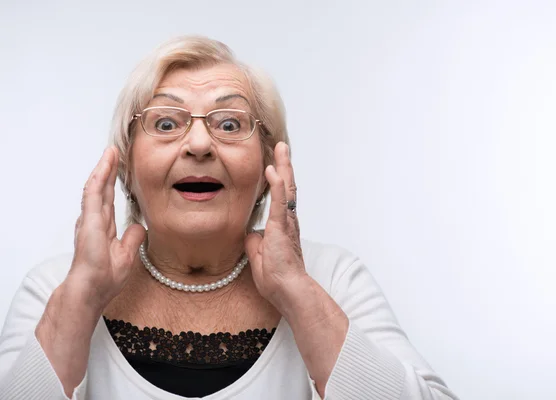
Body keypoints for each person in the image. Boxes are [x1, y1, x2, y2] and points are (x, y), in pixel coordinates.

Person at [0, 35, 459, 400]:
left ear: (266, 169)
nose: (198, 144)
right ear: (126, 169)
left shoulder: (333, 279)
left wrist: (297, 292)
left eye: (229, 124)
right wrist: (80, 300)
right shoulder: (54, 286)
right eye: (165, 123)